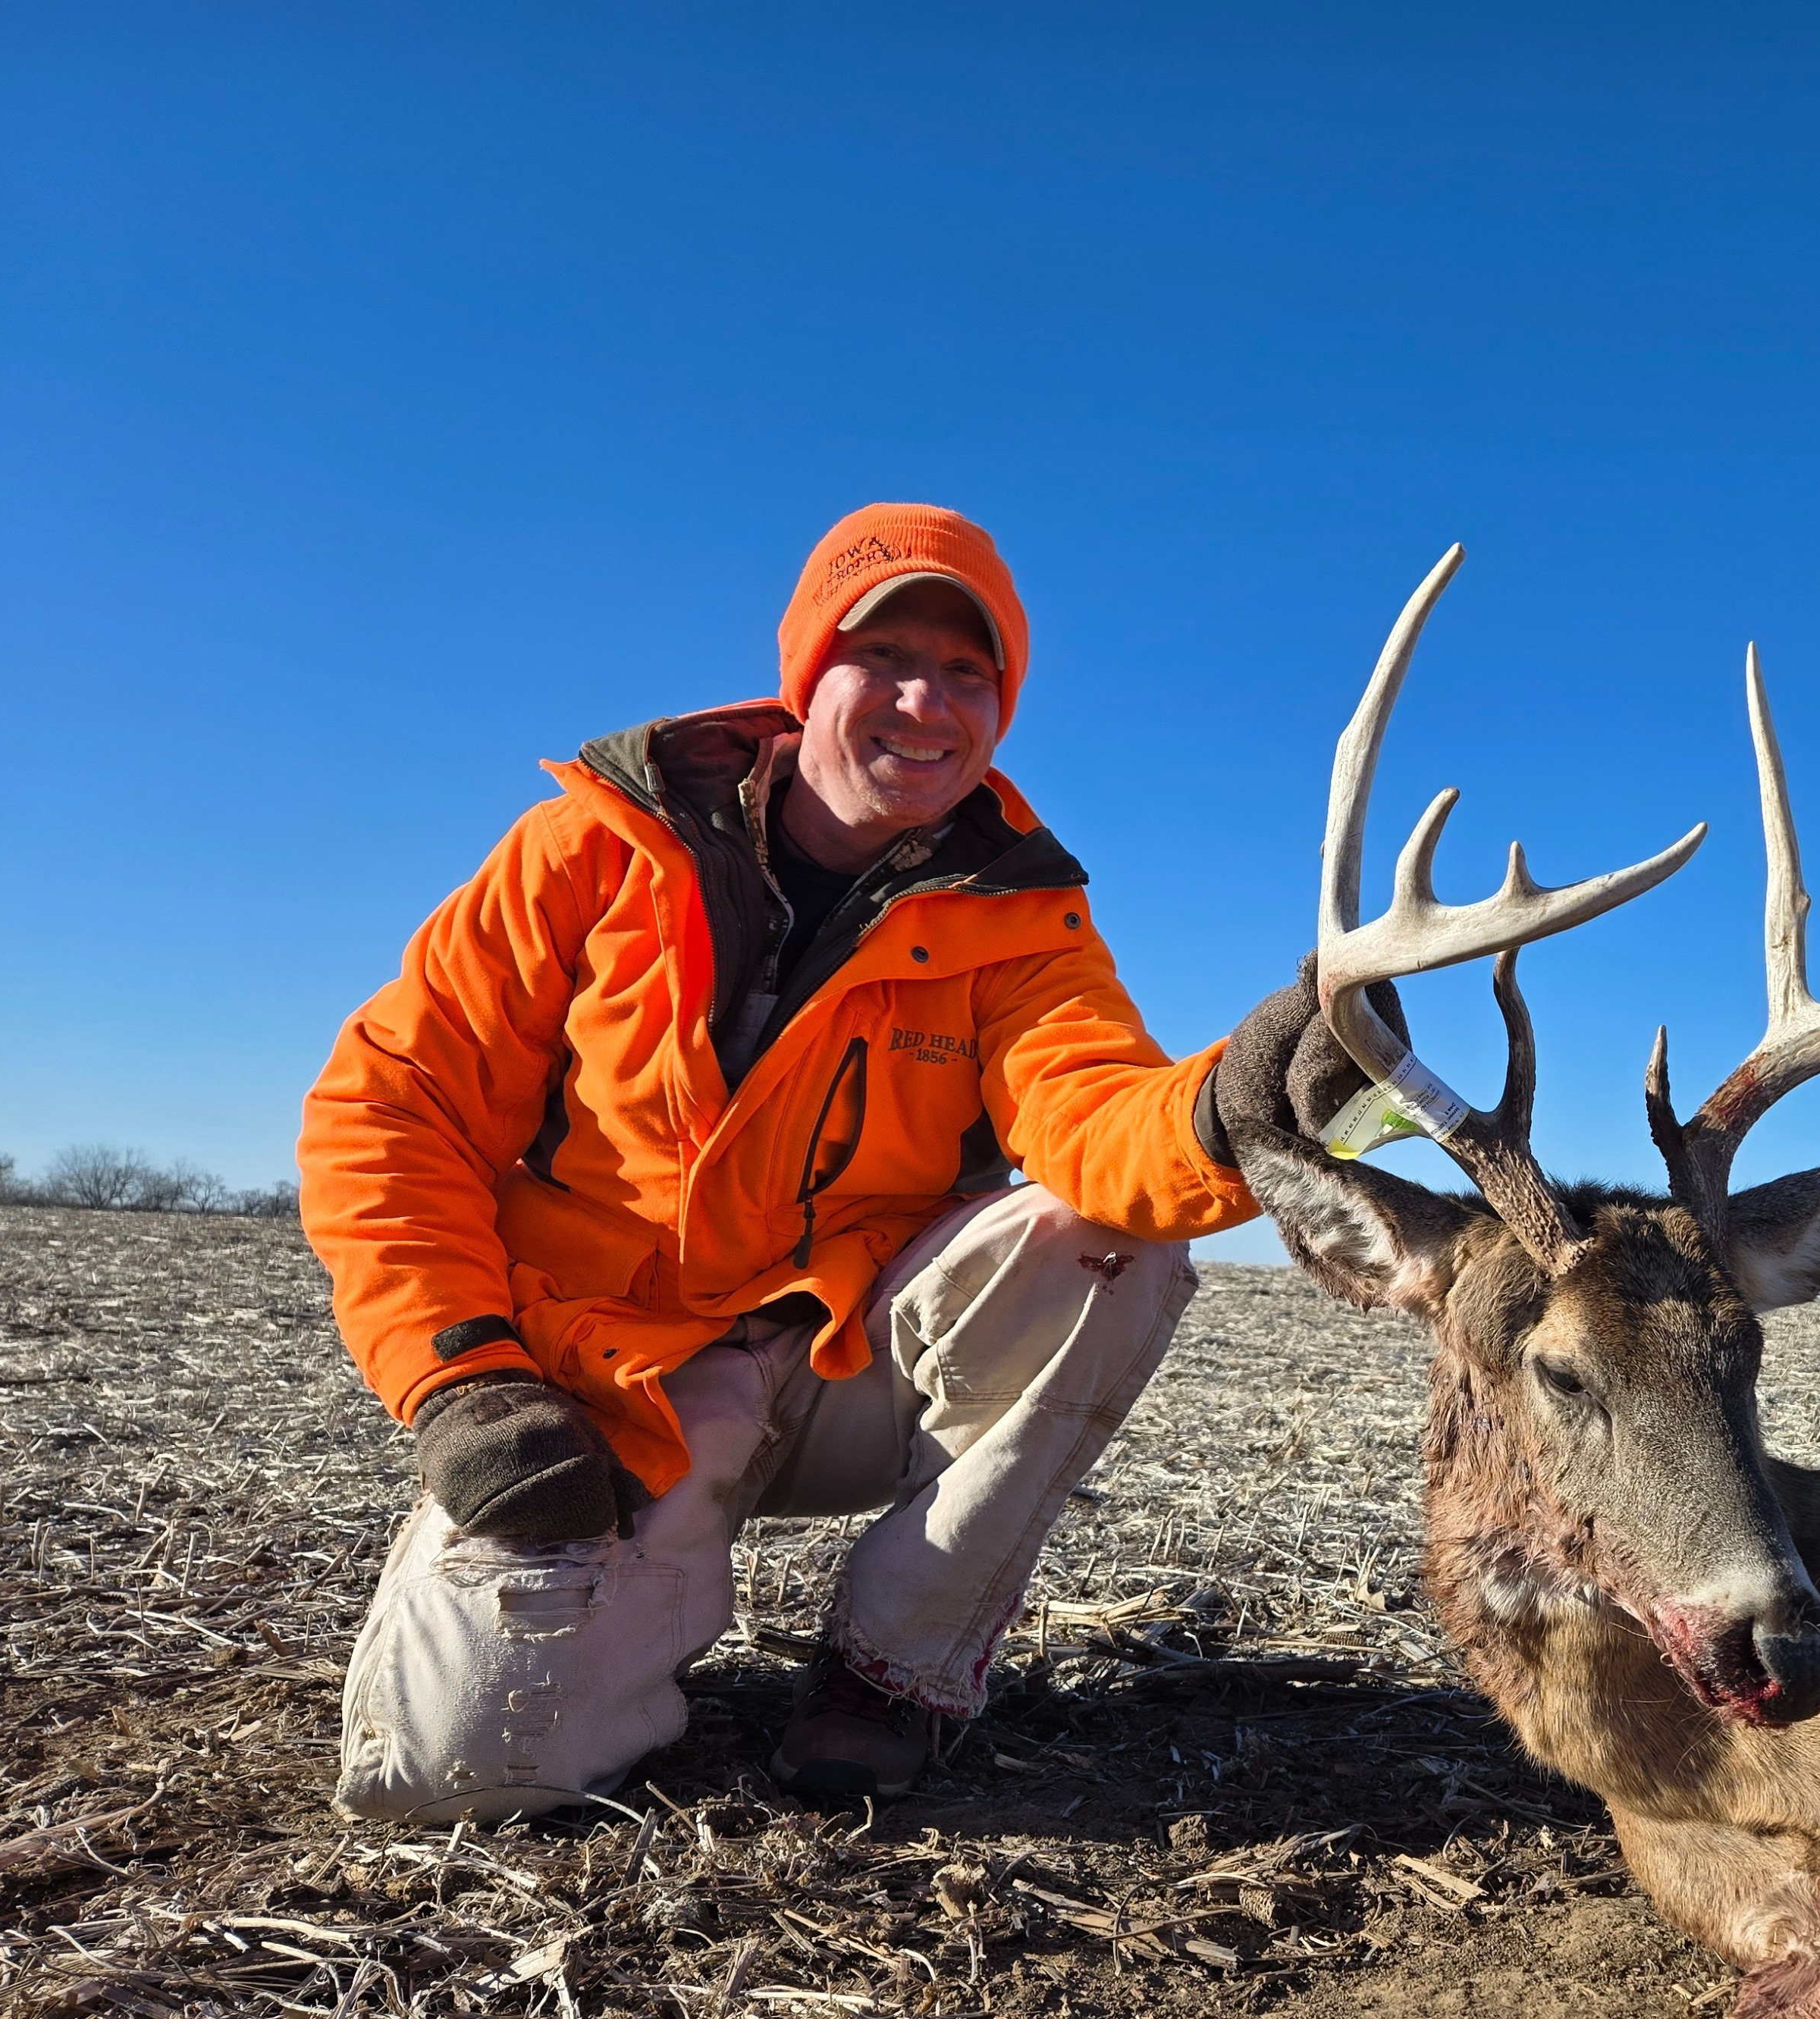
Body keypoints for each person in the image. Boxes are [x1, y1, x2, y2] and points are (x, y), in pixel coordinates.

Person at [301, 503, 1373, 1819]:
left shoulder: (1023, 923)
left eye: (969, 675)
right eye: (886, 658)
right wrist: (462, 1377)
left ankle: (896, 1670)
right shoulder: (587, 851)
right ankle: (640, 1599)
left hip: (839, 1370)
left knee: (1107, 1243)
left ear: (1003, 706)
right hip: (606, 1385)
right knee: (451, 1770)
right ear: (810, 674)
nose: (928, 704)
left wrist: (1231, 1106)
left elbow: (1095, 1120)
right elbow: (393, 1109)